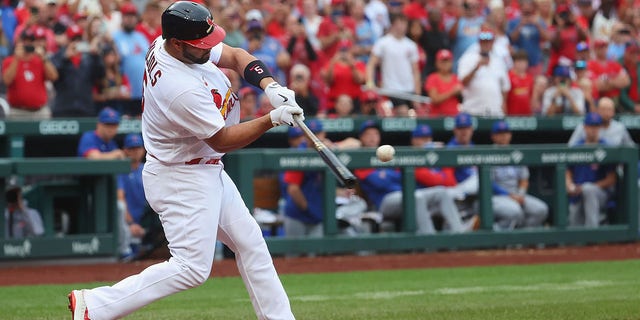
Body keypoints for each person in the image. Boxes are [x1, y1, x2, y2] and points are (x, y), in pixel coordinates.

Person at [68, 2, 302, 319]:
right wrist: (271, 119)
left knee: (250, 243)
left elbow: (234, 55)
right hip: (181, 177)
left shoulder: (173, 43)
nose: (208, 47)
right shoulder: (177, 87)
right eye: (200, 44)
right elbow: (221, 138)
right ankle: (95, 306)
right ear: (177, 43)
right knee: (191, 268)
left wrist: (269, 84)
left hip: (203, 167)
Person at [490, 120, 549, 230]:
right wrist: (510, 195)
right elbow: (489, 184)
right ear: (493, 136)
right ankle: (497, 235)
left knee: (541, 209)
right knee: (515, 211)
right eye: (500, 133)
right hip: (497, 197)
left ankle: (521, 240)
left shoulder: (516, 154)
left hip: (516, 194)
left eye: (506, 133)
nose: (503, 136)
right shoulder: (488, 154)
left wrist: (520, 194)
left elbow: (524, 179)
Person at [566, 112, 617, 227]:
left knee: (589, 190)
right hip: (577, 192)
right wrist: (569, 185)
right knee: (574, 230)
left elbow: (611, 179)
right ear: (584, 127)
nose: (593, 129)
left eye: (596, 126)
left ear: (600, 128)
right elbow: (568, 171)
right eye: (590, 126)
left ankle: (592, 233)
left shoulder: (606, 147)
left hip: (600, 193)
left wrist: (586, 187)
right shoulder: (576, 147)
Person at [366, 13, 420, 117]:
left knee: (416, 116)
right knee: (403, 113)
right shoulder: (383, 43)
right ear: (393, 25)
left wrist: (417, 94)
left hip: (409, 90)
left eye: (404, 23)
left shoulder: (411, 45)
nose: (402, 26)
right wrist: (370, 82)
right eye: (399, 23)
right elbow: (371, 64)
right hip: (391, 89)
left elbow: (415, 71)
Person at [2, 27, 58, 119]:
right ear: (19, 42)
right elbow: (7, 81)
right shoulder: (10, 61)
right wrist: (16, 58)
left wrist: (44, 58)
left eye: (30, 41)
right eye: (24, 41)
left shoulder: (40, 60)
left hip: (40, 111)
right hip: (18, 111)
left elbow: (54, 77)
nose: (27, 44)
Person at [457, 29, 510, 117]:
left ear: (493, 42)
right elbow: (462, 82)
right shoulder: (467, 58)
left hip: (495, 110)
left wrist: (503, 104)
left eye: (488, 41)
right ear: (479, 42)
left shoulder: (498, 60)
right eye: (483, 41)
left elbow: (505, 86)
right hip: (472, 110)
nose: (486, 44)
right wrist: (476, 68)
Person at [568, 97, 636, 147]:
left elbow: (631, 148)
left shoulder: (620, 128)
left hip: (612, 162)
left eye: (609, 110)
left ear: (613, 112)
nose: (606, 113)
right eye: (603, 109)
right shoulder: (585, 126)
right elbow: (570, 147)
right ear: (597, 110)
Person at [424, 49, 461, 117]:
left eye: (447, 61)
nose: (445, 64)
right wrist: (452, 92)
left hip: (454, 116)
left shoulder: (456, 78)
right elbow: (435, 99)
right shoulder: (432, 78)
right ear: (437, 63)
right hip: (437, 117)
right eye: (442, 61)